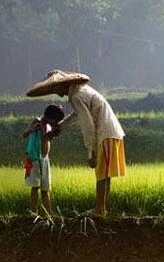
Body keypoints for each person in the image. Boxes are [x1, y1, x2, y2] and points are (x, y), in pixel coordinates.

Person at [26, 70, 126, 218]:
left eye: (56, 88)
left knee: (101, 173)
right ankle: (102, 208)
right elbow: (78, 115)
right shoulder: (82, 91)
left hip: (105, 133)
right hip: (112, 131)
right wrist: (59, 128)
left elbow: (87, 124)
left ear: (64, 85)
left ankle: (99, 209)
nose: (57, 93)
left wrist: (91, 151)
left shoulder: (77, 96)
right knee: (105, 174)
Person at [22, 104, 65, 216]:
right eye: (55, 120)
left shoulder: (50, 128)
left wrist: (47, 131)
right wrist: (33, 129)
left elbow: (46, 138)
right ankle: (34, 213)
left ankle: (48, 214)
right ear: (50, 117)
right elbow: (24, 134)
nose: (56, 123)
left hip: (45, 160)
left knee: (45, 188)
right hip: (34, 158)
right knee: (35, 187)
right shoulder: (36, 121)